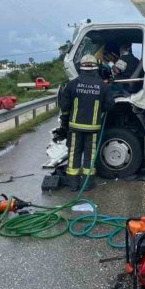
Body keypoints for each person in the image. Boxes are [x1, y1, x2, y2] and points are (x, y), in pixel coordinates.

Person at [59, 54, 114, 190]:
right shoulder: (103, 86)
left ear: (81, 68)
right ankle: (88, 184)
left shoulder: (72, 85)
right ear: (96, 68)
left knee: (73, 154)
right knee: (90, 155)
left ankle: (73, 184)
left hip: (75, 127)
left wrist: (65, 122)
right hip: (93, 128)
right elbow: (110, 105)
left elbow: (64, 106)